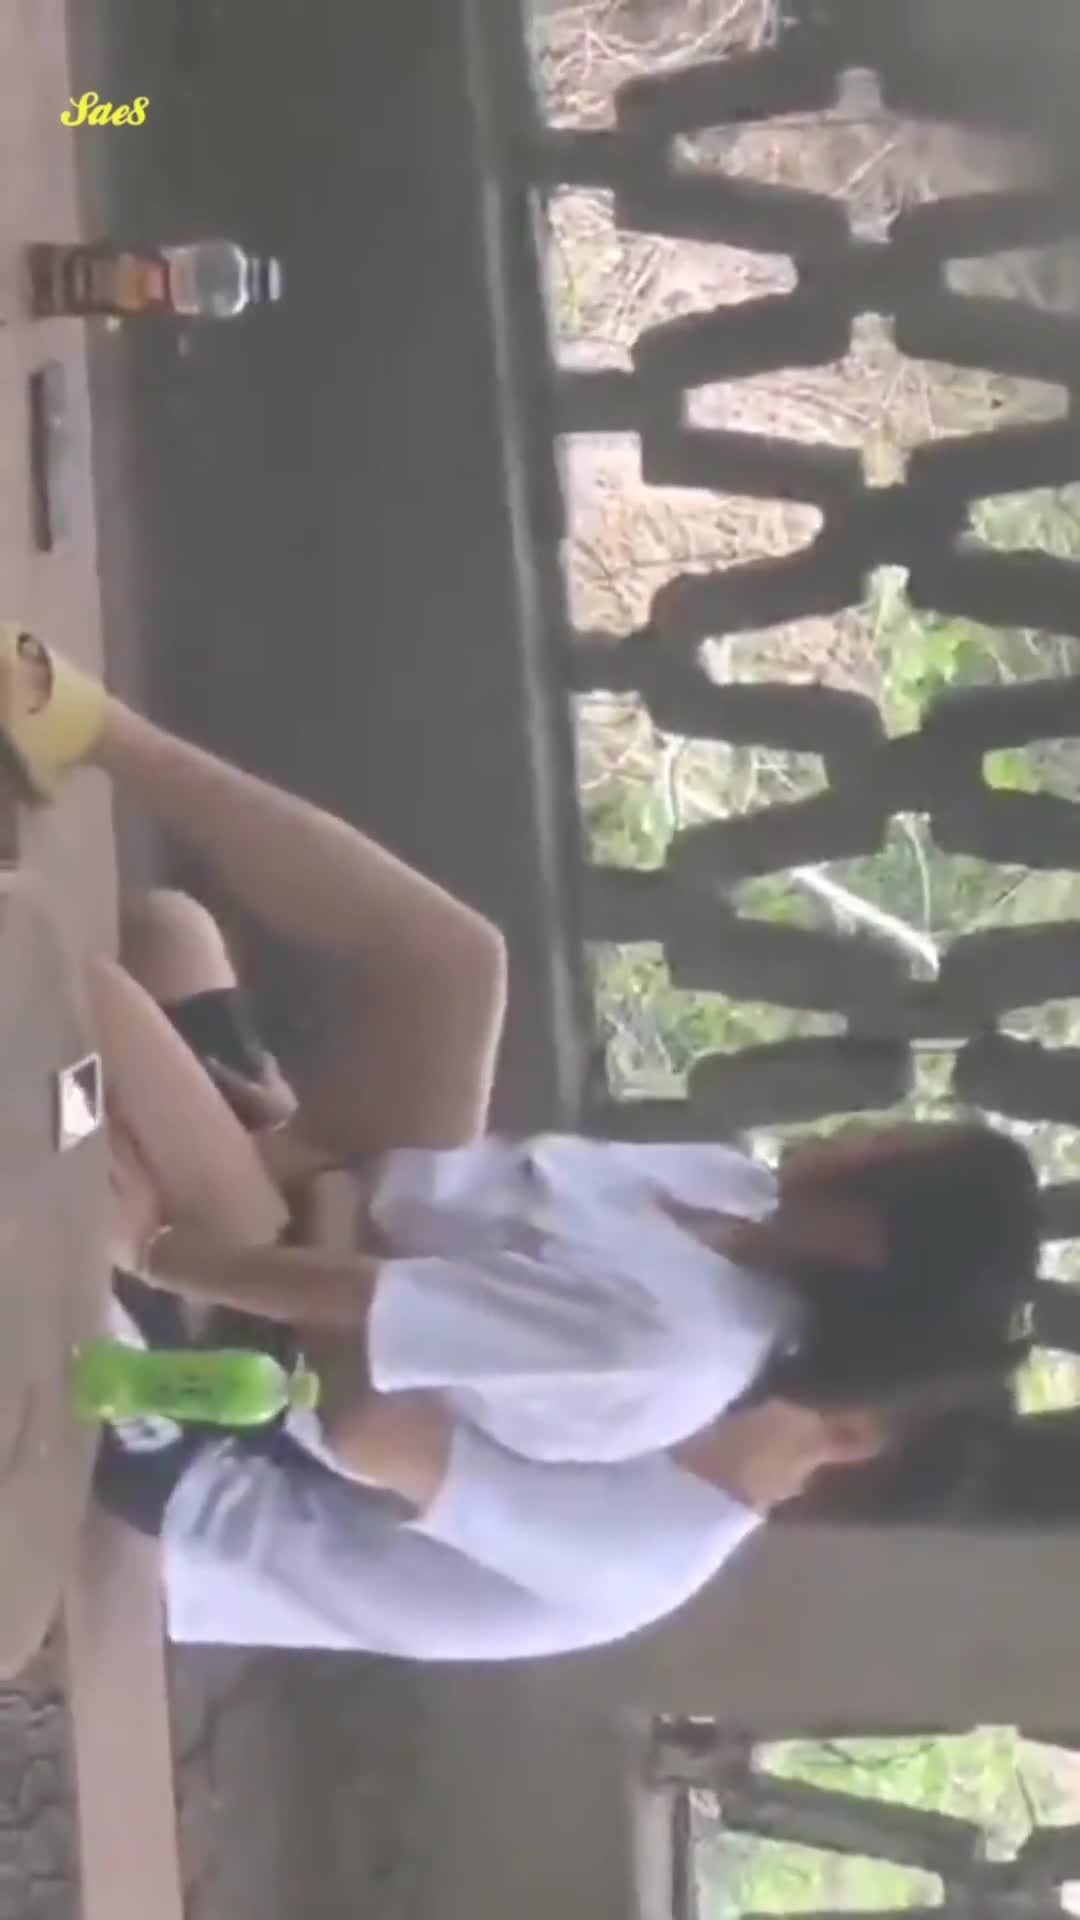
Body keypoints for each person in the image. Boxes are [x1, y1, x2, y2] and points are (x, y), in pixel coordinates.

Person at [0, 625, 1042, 1659]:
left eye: (884, 1148)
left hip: (227, 1422)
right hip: (331, 1244)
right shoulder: (736, 1200)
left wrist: (182, 1240)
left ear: (866, 1245)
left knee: (97, 1018)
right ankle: (87, 731)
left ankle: (78, 1155)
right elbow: (457, 1221)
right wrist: (297, 1146)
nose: (856, 1128)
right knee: (243, 943)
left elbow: (360, 1415)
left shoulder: (669, 1402)